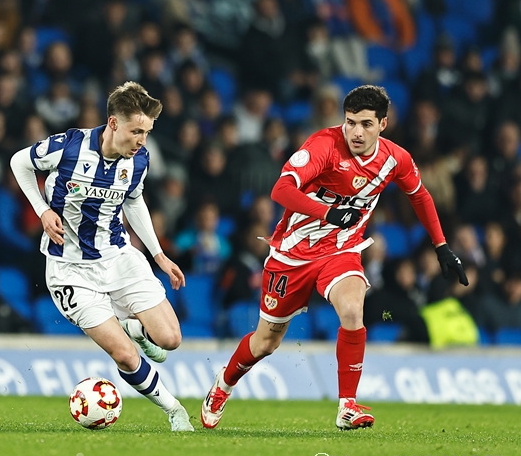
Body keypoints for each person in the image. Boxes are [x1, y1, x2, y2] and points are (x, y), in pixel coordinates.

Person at [200, 85, 468, 430]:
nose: (356, 132)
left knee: (354, 309)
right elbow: (280, 190)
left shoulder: (394, 158)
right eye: (351, 122)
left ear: (382, 124)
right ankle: (223, 385)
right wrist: (326, 213)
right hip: (292, 253)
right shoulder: (323, 145)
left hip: (341, 250)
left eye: (366, 124)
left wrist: (441, 246)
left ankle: (347, 406)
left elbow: (420, 195)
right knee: (266, 341)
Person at [9, 81, 193, 432]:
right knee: (124, 354)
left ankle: (132, 327)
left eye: (147, 132)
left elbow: (135, 200)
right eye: (136, 131)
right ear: (112, 124)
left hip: (119, 257)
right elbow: (19, 162)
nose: (141, 140)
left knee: (170, 340)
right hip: (70, 270)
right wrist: (42, 210)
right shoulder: (69, 146)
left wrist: (158, 255)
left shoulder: (139, 159)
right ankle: (174, 409)